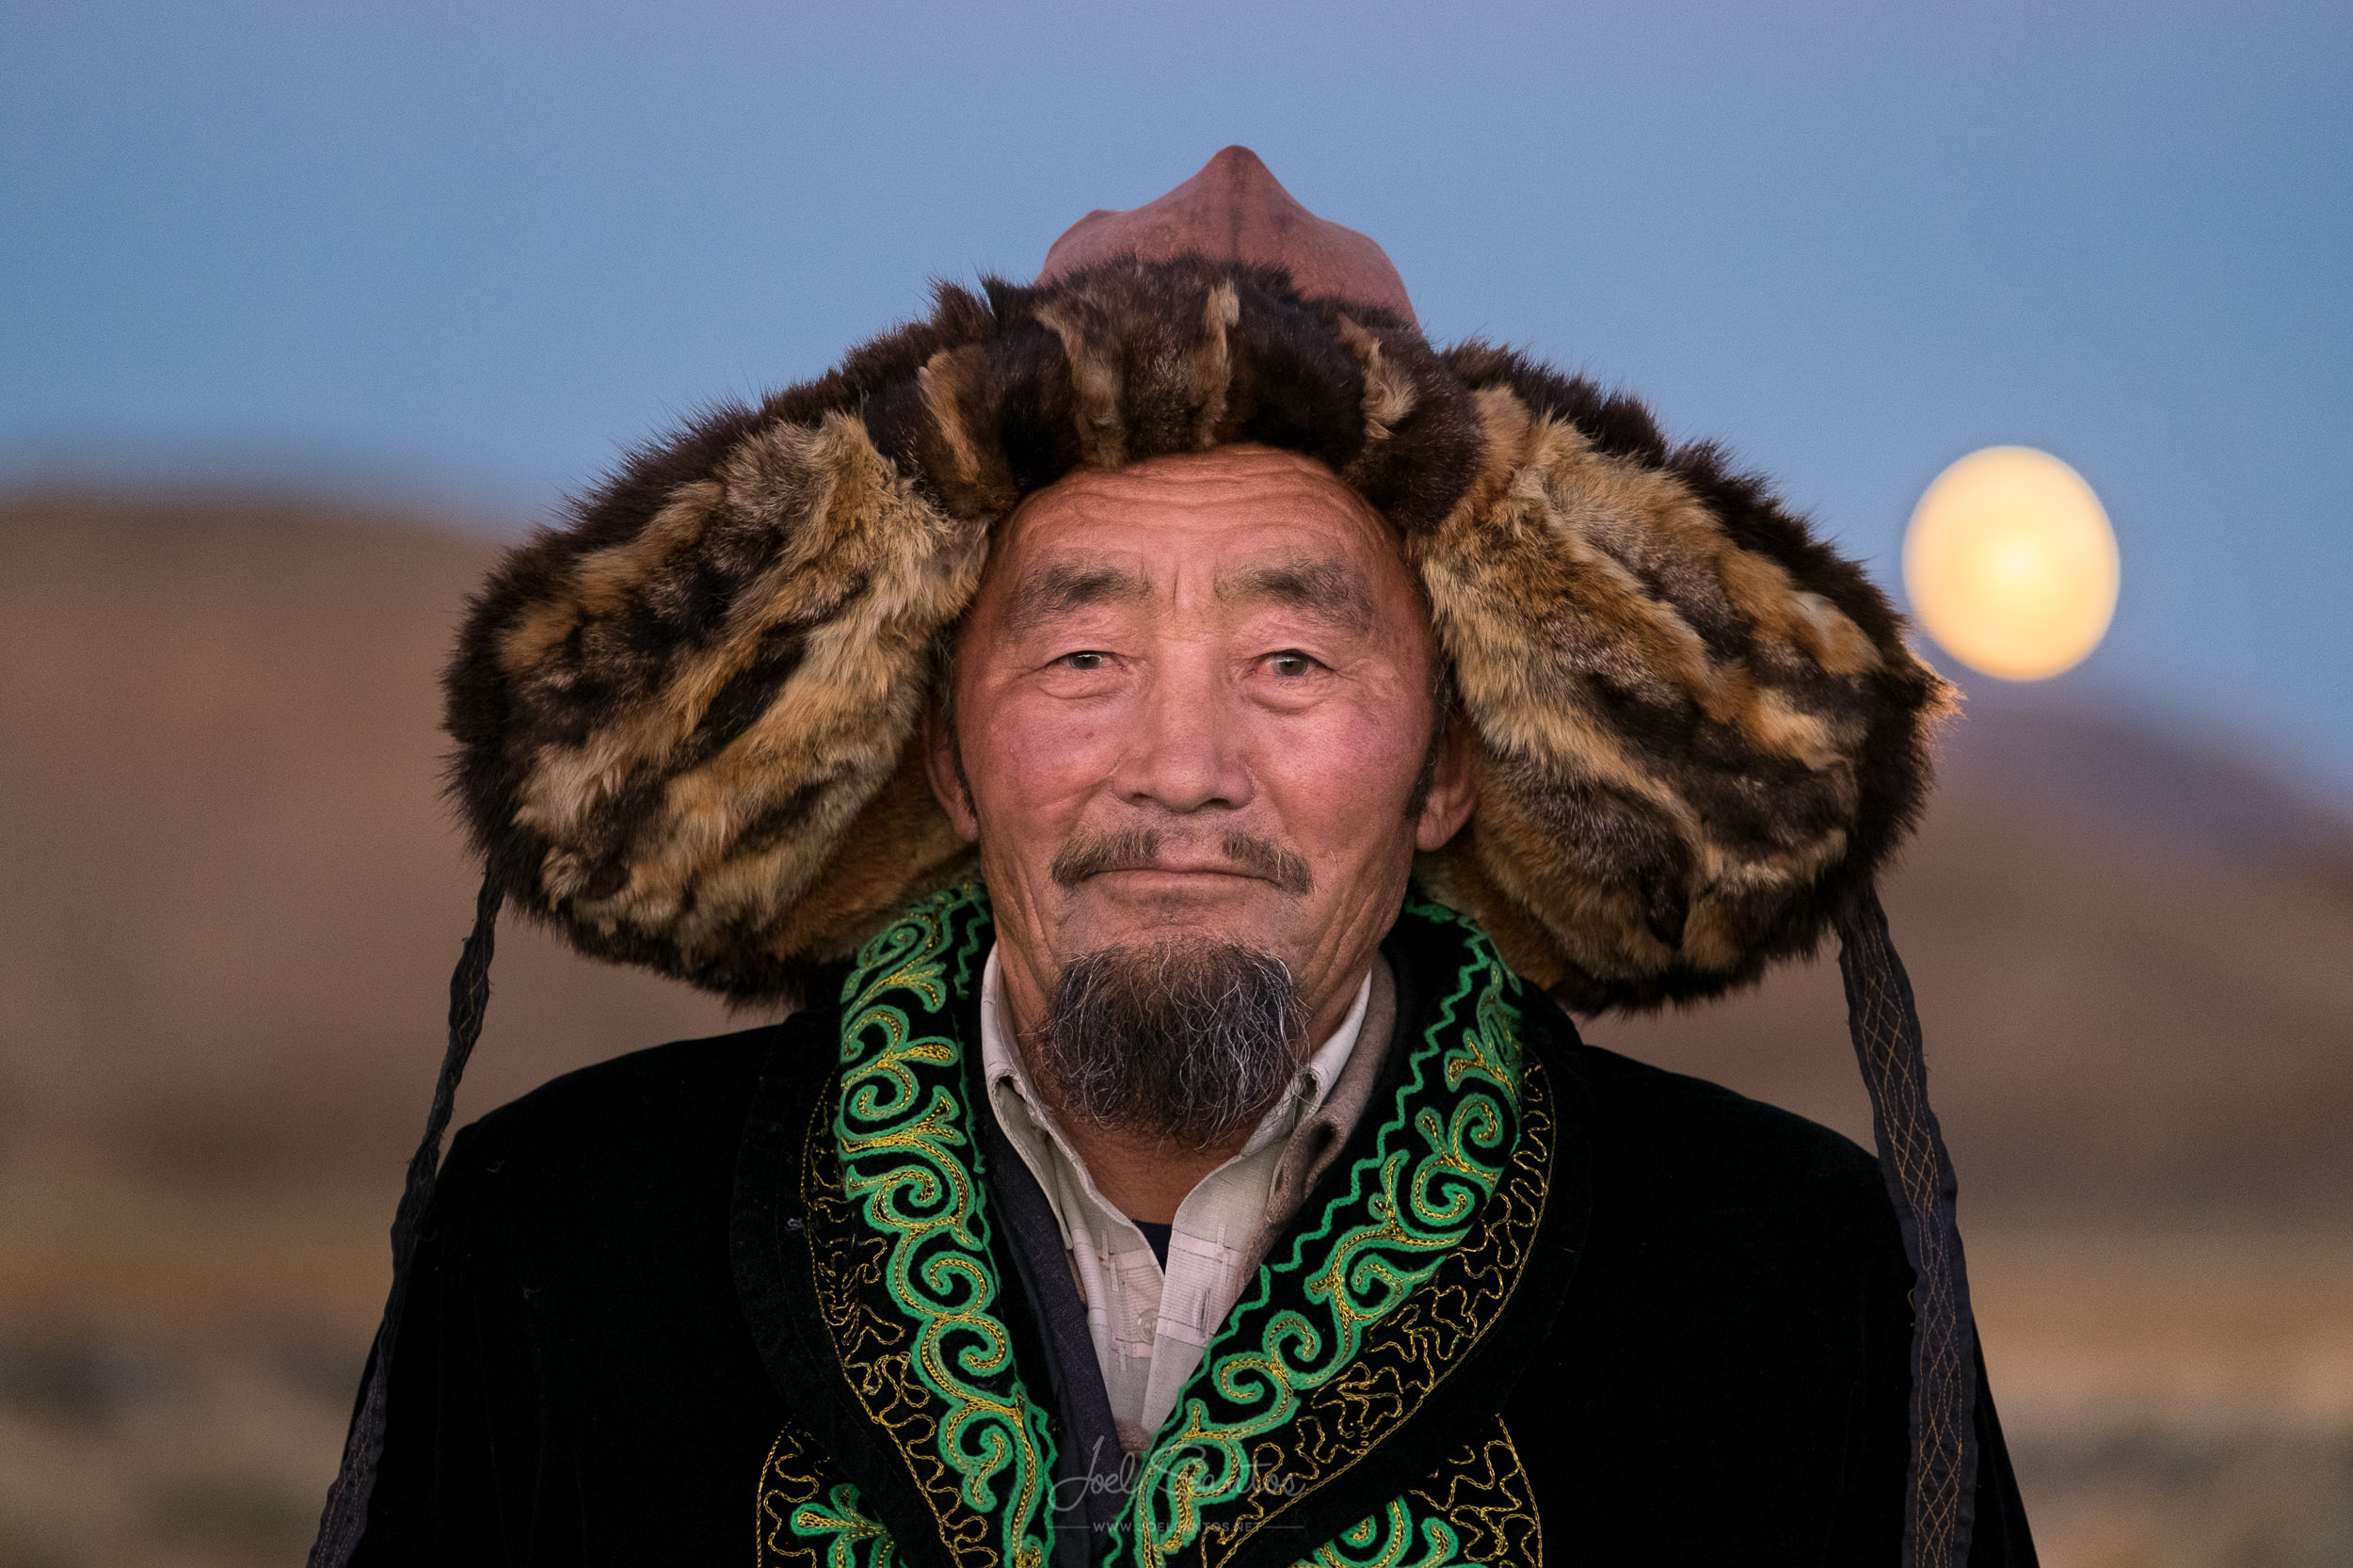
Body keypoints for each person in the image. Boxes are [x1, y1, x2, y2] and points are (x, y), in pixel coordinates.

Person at [317, 148, 2037, 1567]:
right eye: (1084, 657)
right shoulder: (566, 1255)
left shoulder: (1784, 1293)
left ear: (1445, 762)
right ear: (946, 750)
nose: (1183, 767)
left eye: (1293, 662)